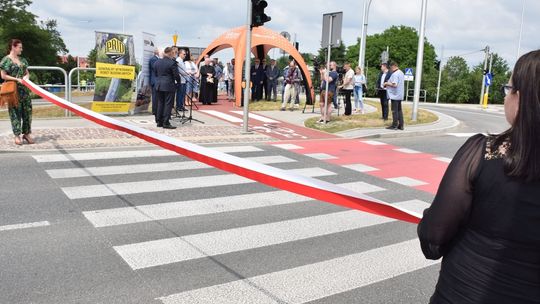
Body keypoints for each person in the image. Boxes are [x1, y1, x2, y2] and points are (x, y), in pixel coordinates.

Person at [418, 49, 540, 304]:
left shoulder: (482, 153)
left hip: (463, 292)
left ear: (522, 97)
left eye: (508, 88)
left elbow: (433, 238)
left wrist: (430, 219)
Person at [0, 39, 32, 145]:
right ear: (13, 47)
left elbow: (27, 73)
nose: (21, 49)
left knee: (27, 112)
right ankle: (17, 136)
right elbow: (3, 75)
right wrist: (17, 79)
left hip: (24, 90)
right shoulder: (5, 60)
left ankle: (26, 134)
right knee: (15, 113)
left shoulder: (22, 60)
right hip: (13, 90)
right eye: (20, 47)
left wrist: (26, 77)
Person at [153, 47, 180, 129]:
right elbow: (176, 75)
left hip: (158, 85)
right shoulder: (172, 63)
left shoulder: (157, 62)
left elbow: (156, 73)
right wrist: (178, 82)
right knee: (168, 104)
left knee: (160, 103)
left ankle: (159, 121)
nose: (174, 54)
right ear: (170, 53)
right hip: (168, 85)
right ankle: (166, 122)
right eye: (173, 53)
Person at [384, 61, 404, 130]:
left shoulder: (395, 74)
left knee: (394, 110)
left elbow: (394, 84)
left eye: (390, 68)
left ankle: (394, 125)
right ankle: (401, 125)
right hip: (399, 94)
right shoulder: (401, 72)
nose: (390, 69)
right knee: (399, 110)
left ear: (393, 66)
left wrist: (387, 83)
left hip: (395, 95)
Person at [175, 48, 188, 113]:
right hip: (180, 80)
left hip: (184, 79)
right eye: (184, 54)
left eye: (185, 54)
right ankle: (178, 106)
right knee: (179, 94)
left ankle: (181, 106)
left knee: (183, 94)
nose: (185, 55)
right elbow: (180, 70)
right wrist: (186, 73)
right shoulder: (178, 60)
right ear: (180, 54)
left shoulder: (182, 60)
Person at [149, 48, 160, 119]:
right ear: (157, 52)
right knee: (155, 97)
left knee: (157, 97)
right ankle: (154, 111)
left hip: (157, 80)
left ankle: (156, 110)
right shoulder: (153, 59)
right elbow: (155, 69)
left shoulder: (156, 59)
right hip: (155, 80)